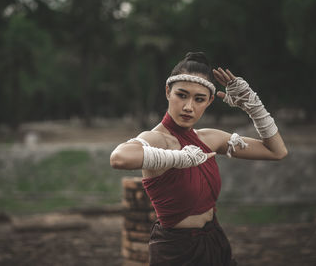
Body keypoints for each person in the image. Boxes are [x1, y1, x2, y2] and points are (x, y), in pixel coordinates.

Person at [110, 52, 288, 266]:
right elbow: (119, 158)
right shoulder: (156, 139)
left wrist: (253, 106)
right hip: (176, 251)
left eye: (199, 99)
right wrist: (179, 158)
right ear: (168, 92)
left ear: (210, 101)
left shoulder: (209, 138)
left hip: (215, 241)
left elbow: (277, 151)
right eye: (182, 95)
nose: (188, 107)